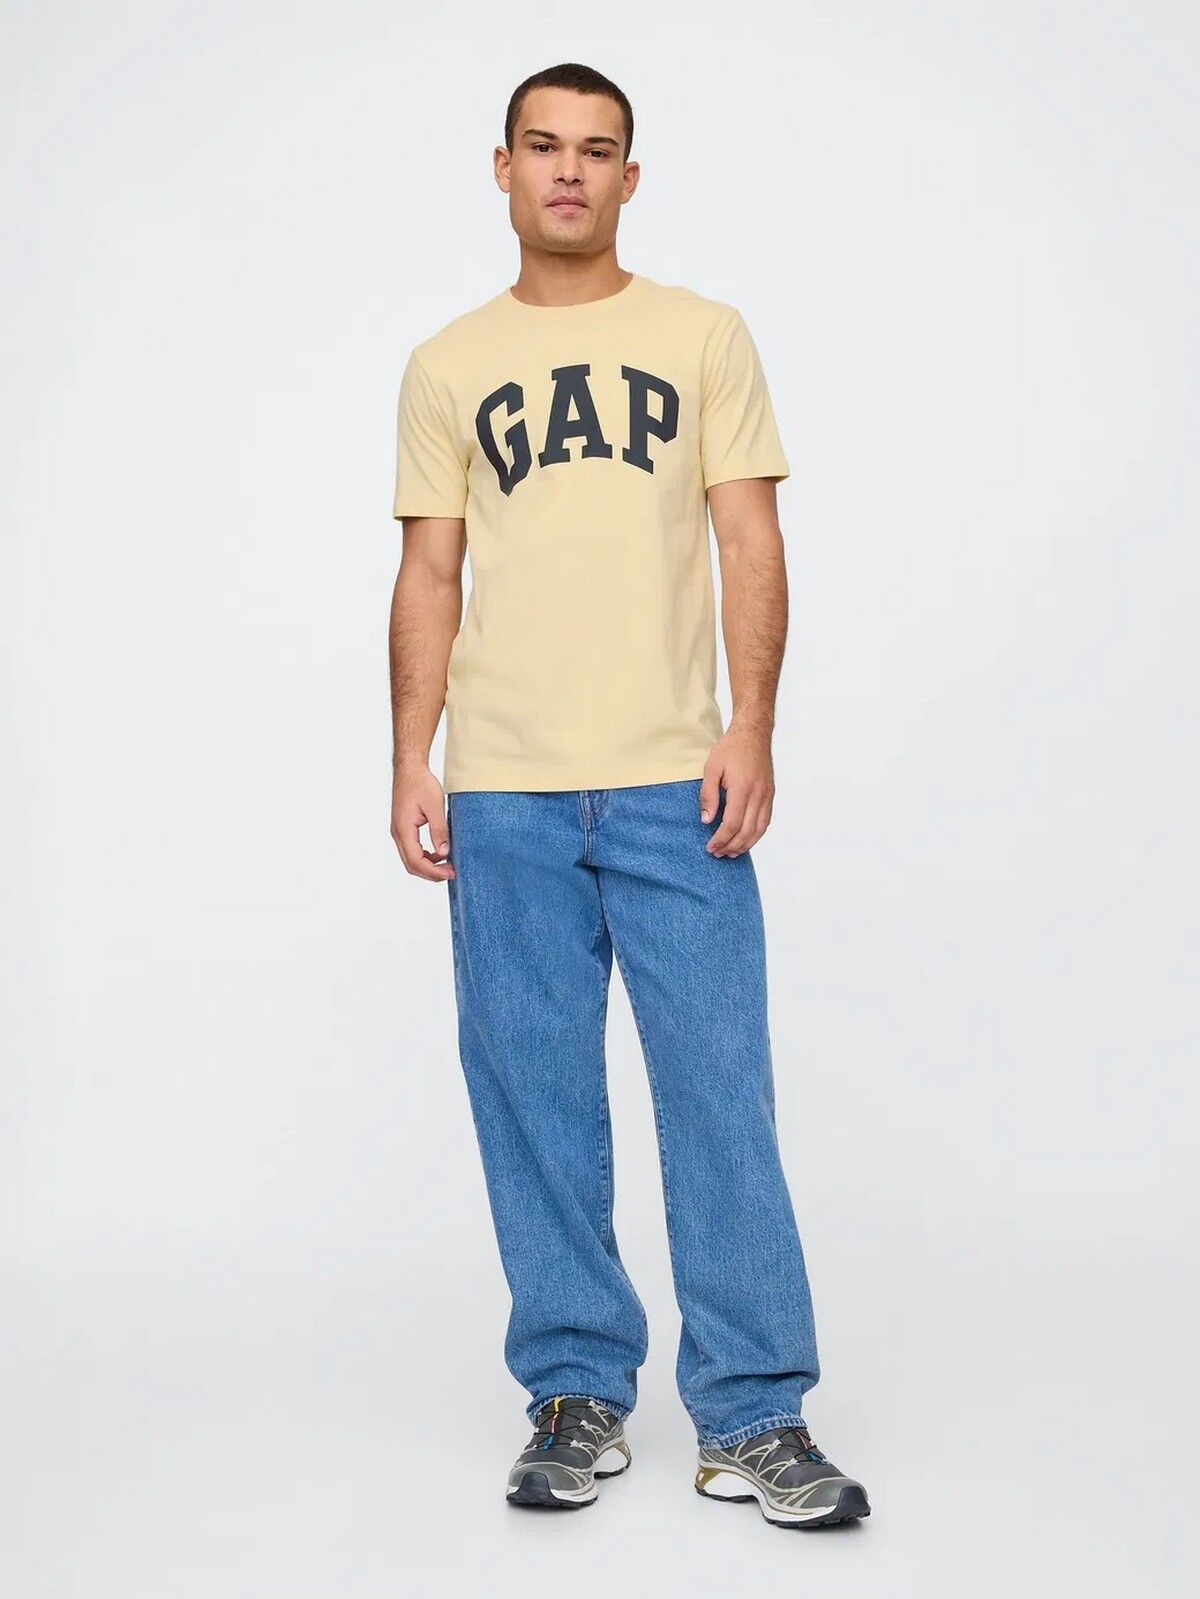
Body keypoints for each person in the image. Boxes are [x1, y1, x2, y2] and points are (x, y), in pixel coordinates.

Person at [388, 61, 870, 1531]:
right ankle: (576, 1392)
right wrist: (412, 756)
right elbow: (428, 572)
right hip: (507, 791)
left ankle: (754, 1412)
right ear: (502, 167)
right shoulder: (448, 363)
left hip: (675, 779)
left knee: (719, 1095)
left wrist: (754, 726)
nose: (569, 172)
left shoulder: (703, 335)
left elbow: (750, 540)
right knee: (534, 1100)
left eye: (597, 151)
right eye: (544, 147)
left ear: (630, 177)